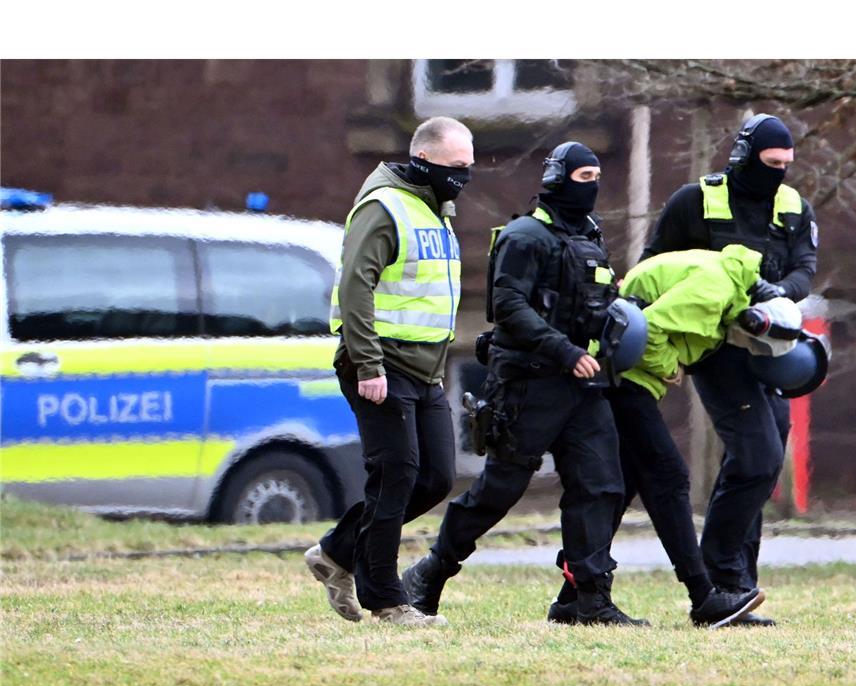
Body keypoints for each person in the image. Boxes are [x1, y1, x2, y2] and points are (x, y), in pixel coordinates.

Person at [400, 142, 646, 626]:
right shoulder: (524, 236)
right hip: (529, 384)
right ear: (556, 178)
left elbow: (597, 305)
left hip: (583, 386)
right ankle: (430, 573)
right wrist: (564, 351)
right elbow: (509, 307)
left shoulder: (590, 236)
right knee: (500, 489)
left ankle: (588, 599)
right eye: (583, 176)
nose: (593, 186)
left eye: (597, 177)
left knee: (600, 485)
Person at [641, 113, 820, 627]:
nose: (778, 174)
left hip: (771, 348)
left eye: (785, 165)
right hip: (714, 347)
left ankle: (739, 587)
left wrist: (776, 296)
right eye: (770, 163)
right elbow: (652, 269)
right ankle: (719, 574)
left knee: (760, 463)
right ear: (744, 156)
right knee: (758, 456)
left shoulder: (794, 207)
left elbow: (804, 269)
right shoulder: (694, 202)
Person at [303, 116, 474, 627]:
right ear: (423, 160)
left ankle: (336, 552)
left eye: (469, 166)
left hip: (425, 370)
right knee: (395, 474)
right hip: (380, 362)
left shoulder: (435, 209)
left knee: (435, 478)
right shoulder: (384, 207)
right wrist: (368, 365)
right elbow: (355, 287)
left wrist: (437, 368)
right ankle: (387, 600)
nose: (464, 177)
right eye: (456, 166)